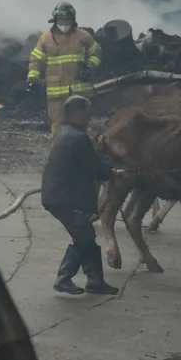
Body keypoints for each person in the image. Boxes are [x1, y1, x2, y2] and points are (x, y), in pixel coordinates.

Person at [41, 95, 123, 295]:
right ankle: (64, 278)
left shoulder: (65, 132)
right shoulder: (78, 138)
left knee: (86, 235)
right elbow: (93, 167)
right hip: (64, 198)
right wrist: (111, 172)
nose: (89, 118)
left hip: (58, 195)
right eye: (87, 114)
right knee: (84, 237)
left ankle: (95, 281)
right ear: (78, 114)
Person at [26, 2, 103, 139]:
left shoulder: (83, 36)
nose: (64, 23)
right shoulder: (45, 38)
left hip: (79, 91)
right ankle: (60, 154)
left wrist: (90, 67)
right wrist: (32, 78)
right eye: (61, 20)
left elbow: (97, 52)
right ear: (55, 20)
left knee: (79, 125)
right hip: (56, 93)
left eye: (67, 20)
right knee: (57, 126)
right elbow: (36, 59)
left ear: (73, 20)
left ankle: (79, 154)